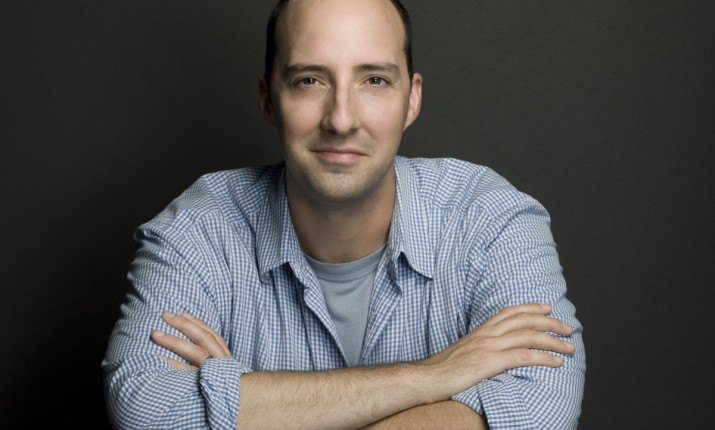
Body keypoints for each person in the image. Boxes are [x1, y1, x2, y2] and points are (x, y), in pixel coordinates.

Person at [102, 0, 586, 428]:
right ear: (268, 99)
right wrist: (431, 376)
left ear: (412, 98)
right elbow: (148, 411)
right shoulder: (198, 230)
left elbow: (540, 410)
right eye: (309, 80)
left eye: (374, 80)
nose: (341, 118)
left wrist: (255, 408)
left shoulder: (489, 217)